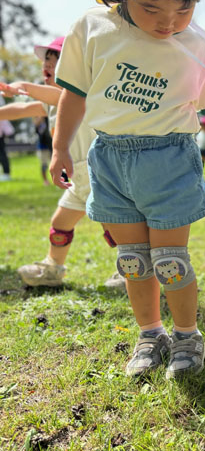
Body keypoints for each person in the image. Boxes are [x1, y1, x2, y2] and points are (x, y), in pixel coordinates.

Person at [49, 0, 205, 379]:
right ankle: (150, 334)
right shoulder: (92, 28)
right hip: (109, 158)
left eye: (185, 6)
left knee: (169, 259)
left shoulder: (195, 42)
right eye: (151, 7)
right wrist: (60, 148)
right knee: (132, 260)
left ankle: (187, 336)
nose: (169, 21)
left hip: (169, 156)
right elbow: (73, 93)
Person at [0, 37, 124, 290]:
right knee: (60, 224)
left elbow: (59, 96)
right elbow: (21, 110)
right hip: (76, 181)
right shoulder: (50, 103)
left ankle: (133, 270)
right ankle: (52, 269)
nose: (45, 64)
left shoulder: (82, 96)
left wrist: (23, 85)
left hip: (98, 176)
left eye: (52, 59)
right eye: (44, 59)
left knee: (117, 228)